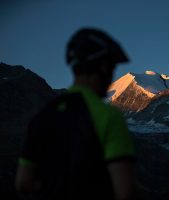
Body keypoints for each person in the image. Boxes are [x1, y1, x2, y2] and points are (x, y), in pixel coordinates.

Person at [15, 28, 136, 200]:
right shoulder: (108, 116)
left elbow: (23, 182)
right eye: (112, 67)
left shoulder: (41, 117)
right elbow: (125, 192)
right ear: (103, 67)